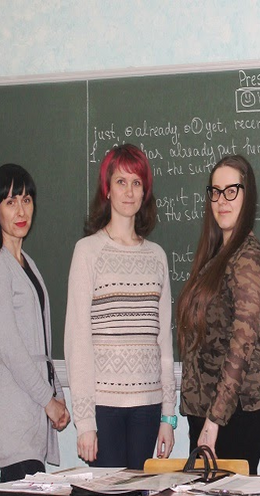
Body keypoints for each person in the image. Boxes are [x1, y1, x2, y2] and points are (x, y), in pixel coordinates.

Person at [64, 144, 176, 470]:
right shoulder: (87, 252)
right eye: (121, 182)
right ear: (107, 189)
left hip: (148, 406)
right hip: (104, 407)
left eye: (136, 183)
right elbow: (77, 340)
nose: (129, 191)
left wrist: (168, 415)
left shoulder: (157, 256)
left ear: (145, 192)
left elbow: (164, 343)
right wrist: (85, 422)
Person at [0, 163, 70, 482]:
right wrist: (48, 401)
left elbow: (40, 346)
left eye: (26, 200)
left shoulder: (28, 265)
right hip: (14, 416)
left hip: (32, 416)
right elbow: (13, 350)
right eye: (10, 201)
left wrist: (58, 396)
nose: (21, 210)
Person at [176, 154, 260, 475]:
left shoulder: (248, 258)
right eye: (215, 192)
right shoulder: (215, 255)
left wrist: (214, 420)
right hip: (211, 415)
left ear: (248, 195)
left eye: (231, 191)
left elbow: (242, 346)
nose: (222, 200)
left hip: (236, 416)